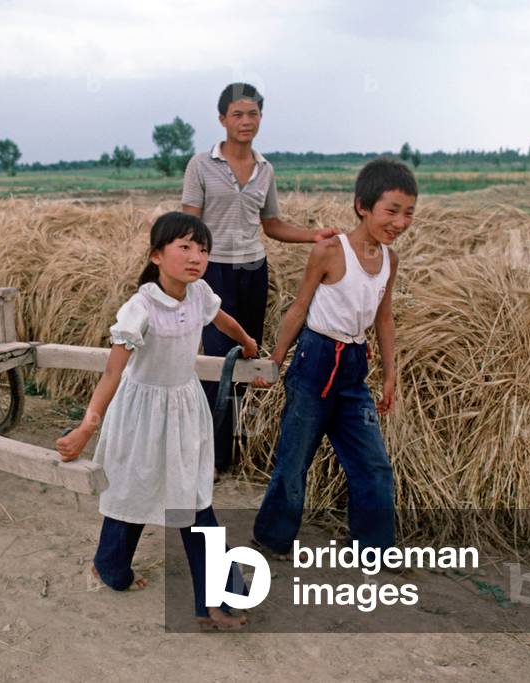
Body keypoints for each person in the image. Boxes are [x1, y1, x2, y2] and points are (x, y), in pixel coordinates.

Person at [56, 211, 258, 630]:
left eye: (202, 249)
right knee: (133, 486)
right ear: (156, 255)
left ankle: (218, 598)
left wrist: (247, 343)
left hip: (183, 408)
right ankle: (110, 569)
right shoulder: (140, 308)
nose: (196, 257)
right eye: (184, 247)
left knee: (193, 497)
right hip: (141, 413)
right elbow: (113, 373)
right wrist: (85, 429)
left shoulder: (200, 292)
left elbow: (223, 319)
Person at [251, 157, 418, 560]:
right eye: (391, 211)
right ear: (363, 206)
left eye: (408, 213)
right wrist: (275, 359)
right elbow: (299, 307)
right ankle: (272, 539)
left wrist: (390, 374)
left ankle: (373, 547)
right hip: (314, 361)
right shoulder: (329, 251)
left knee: (373, 463)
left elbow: (384, 315)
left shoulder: (389, 260)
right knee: (294, 460)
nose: (399, 222)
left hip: (353, 368)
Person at [182, 82, 338, 474]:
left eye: (252, 114)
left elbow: (272, 225)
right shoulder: (201, 165)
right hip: (213, 270)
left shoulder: (265, 169)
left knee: (247, 356)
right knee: (217, 361)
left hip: (253, 270)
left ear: (260, 119)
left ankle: (235, 450)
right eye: (237, 114)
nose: (245, 121)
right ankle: (209, 455)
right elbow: (189, 224)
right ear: (222, 120)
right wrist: (188, 270)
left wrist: (312, 235)